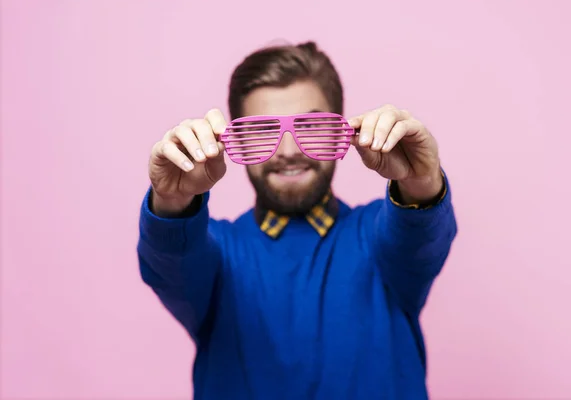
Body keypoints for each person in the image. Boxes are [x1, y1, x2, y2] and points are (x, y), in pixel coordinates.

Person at [137, 41, 458, 400]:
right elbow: (171, 259)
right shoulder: (217, 254)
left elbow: (420, 238)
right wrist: (173, 199)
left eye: (310, 127)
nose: (288, 152)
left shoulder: (378, 239)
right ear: (234, 141)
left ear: (343, 130)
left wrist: (420, 182)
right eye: (262, 130)